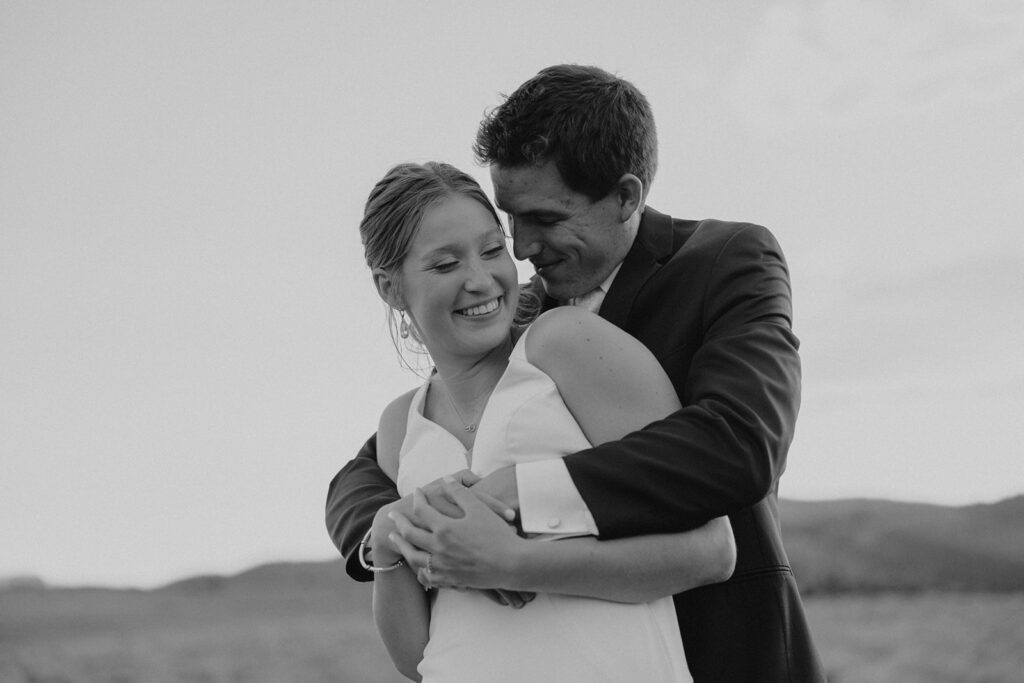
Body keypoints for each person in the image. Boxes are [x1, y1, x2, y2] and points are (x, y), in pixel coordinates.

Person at [328, 64, 826, 682]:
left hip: (720, 646)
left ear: (625, 196)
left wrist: (513, 499)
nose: (520, 247)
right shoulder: (515, 315)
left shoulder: (724, 262)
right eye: (509, 219)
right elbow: (364, 473)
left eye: (545, 218)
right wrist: (390, 532)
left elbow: (740, 445)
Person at [357, 160, 736, 682]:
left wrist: (511, 562)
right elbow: (416, 658)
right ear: (390, 287)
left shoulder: (566, 345)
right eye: (445, 265)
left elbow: (711, 550)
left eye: (492, 250)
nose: (480, 279)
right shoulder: (401, 424)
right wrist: (385, 538)